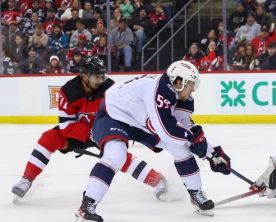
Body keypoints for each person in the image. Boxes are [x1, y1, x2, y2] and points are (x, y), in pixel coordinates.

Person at [72, 61, 232, 222]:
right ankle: (86, 208)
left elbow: (185, 127)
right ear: (179, 82)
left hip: (142, 124)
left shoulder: (184, 98)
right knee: (116, 155)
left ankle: (196, 194)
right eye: (192, 84)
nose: (193, 89)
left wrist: (212, 154)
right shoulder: (158, 89)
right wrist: (195, 140)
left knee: (181, 149)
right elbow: (167, 132)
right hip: (114, 116)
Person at [12, 56, 167, 203]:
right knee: (49, 138)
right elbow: (66, 126)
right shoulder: (68, 92)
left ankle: (158, 180)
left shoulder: (110, 88)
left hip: (104, 129)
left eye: (102, 77)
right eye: (96, 77)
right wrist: (91, 134)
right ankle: (26, 180)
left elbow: (122, 113)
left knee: (118, 155)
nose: (100, 81)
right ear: (85, 77)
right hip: (78, 133)